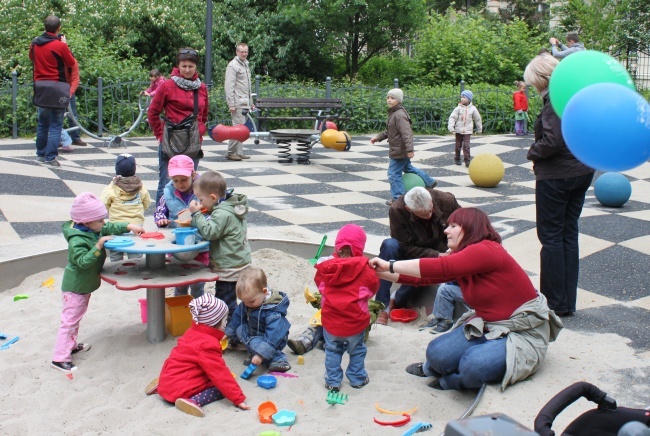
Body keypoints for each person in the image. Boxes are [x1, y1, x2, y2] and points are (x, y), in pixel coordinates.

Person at [369, 208, 563, 392]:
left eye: (453, 226)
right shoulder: (464, 255)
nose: (446, 230)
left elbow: (442, 268)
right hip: (488, 325)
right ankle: (439, 368)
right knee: (437, 354)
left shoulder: (486, 249)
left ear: (471, 227)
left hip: (521, 332)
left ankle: (452, 381)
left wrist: (390, 264)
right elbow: (424, 278)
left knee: (474, 366)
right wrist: (381, 274)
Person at [524, 54, 594, 317]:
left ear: (542, 79)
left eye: (533, 83)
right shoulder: (575, 95)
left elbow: (552, 142)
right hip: (581, 170)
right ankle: (566, 302)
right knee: (568, 234)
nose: (532, 88)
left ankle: (554, 302)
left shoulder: (554, 99)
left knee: (551, 237)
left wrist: (532, 151)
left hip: (556, 176)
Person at [51, 192, 144, 372]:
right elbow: (83, 262)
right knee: (69, 321)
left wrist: (129, 225)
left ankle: (70, 346)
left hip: (83, 286)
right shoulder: (77, 239)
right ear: (86, 222)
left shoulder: (92, 228)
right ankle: (59, 358)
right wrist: (98, 245)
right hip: (75, 287)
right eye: (100, 221)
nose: (103, 223)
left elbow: (110, 227)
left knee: (75, 318)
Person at [146, 294, 250, 417]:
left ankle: (162, 384)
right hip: (180, 391)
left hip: (169, 379)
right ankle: (193, 401)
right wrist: (238, 398)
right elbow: (219, 374)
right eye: (224, 320)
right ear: (214, 322)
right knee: (219, 388)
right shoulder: (208, 345)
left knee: (186, 368)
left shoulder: (191, 332)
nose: (226, 323)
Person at [375, 186, 461, 325]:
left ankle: (398, 299)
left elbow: (464, 225)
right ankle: (382, 306)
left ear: (431, 200)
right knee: (389, 245)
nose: (429, 215)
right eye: (423, 214)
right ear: (410, 209)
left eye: (430, 210)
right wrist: (437, 255)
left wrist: (453, 248)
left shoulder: (446, 200)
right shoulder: (397, 210)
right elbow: (406, 247)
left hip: (441, 248)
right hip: (412, 251)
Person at [315, 224, 380, 392]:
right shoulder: (364, 269)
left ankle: (333, 381)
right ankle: (357, 378)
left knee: (332, 351)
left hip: (331, 323)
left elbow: (320, 285)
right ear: (360, 247)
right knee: (357, 350)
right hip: (355, 323)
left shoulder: (327, 267)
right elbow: (372, 289)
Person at [148, 48, 209, 204]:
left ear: (196, 67)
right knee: (166, 182)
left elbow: (204, 114)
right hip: (170, 142)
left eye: (191, 66)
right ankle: (162, 216)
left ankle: (188, 216)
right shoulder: (167, 86)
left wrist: (200, 132)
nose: (187, 70)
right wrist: (160, 135)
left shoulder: (201, 88)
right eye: (184, 66)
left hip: (193, 143)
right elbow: (153, 113)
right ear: (178, 66)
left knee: (191, 181)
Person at [188, 170, 251, 315]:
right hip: (240, 261)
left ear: (212, 197)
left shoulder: (221, 213)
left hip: (229, 267)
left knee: (225, 302)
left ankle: (229, 330)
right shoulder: (230, 205)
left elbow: (210, 232)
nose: (200, 203)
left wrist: (196, 215)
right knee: (233, 298)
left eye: (201, 200)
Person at [370, 88, 437, 206]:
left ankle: (398, 198)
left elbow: (407, 133)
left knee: (393, 174)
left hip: (400, 150)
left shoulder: (399, 115)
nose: (389, 100)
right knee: (408, 168)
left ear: (399, 100)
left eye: (393, 98)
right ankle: (429, 181)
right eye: (388, 98)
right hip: (399, 149)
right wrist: (379, 137)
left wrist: (410, 149)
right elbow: (390, 131)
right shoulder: (394, 113)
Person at [154, 155, 208, 298]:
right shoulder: (168, 191)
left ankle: (198, 312)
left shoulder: (204, 189)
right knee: (179, 281)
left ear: (193, 174)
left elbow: (214, 211)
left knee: (197, 283)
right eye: (175, 180)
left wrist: (201, 216)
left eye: (184, 180)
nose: (180, 184)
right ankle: (180, 307)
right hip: (177, 243)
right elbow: (159, 211)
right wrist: (161, 219)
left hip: (199, 244)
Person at [30, 15, 78, 167]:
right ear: (59, 28)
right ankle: (51, 157)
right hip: (57, 88)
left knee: (42, 123)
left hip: (41, 88)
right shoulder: (60, 46)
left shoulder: (35, 44)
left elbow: (32, 58)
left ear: (44, 27)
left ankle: (40, 155)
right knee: (56, 125)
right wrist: (64, 45)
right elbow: (70, 62)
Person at [223, 267, 292, 373]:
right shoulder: (250, 301)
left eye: (251, 301)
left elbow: (273, 336)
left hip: (273, 339)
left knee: (255, 342)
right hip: (255, 333)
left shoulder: (273, 312)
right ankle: (257, 352)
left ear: (264, 292)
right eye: (243, 301)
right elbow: (238, 316)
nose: (246, 305)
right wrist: (228, 333)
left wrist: (260, 354)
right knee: (240, 329)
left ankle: (279, 359)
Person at [286, 287, 385, 356]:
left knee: (349, 339)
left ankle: (332, 345)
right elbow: (324, 300)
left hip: (350, 332)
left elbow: (369, 317)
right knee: (316, 326)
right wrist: (314, 298)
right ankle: (303, 343)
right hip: (331, 326)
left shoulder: (366, 303)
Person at [101, 154, 151, 262]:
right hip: (136, 227)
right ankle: (135, 274)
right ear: (134, 169)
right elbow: (146, 203)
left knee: (115, 254)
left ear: (116, 169)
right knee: (135, 255)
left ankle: (117, 273)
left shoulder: (111, 188)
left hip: (116, 226)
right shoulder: (141, 188)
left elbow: (103, 205)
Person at [224, 42, 254, 161]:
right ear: (237, 52)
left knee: (242, 129)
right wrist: (231, 103)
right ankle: (231, 152)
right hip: (237, 103)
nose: (244, 54)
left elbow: (248, 87)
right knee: (237, 128)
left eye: (246, 51)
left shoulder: (245, 65)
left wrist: (250, 102)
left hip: (244, 102)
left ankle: (239, 152)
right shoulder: (233, 66)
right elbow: (229, 86)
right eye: (242, 51)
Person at [448, 90, 482, 167]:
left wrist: (479, 128)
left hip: (468, 130)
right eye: (461, 97)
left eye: (464, 97)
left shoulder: (473, 109)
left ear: (469, 99)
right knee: (458, 146)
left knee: (466, 146)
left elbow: (477, 118)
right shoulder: (458, 108)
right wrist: (451, 127)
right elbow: (452, 117)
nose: (462, 99)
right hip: (458, 130)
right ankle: (457, 158)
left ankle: (467, 160)